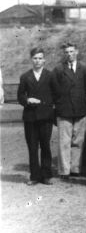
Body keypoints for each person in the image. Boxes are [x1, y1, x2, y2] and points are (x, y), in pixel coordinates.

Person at [52, 42, 86, 179]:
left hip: (80, 109)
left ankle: (75, 168)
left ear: (77, 52)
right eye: (67, 52)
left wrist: (77, 99)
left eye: (72, 51)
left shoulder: (84, 68)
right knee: (64, 141)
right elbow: (55, 90)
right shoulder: (58, 70)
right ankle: (64, 170)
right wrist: (62, 103)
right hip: (64, 109)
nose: (69, 54)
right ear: (64, 54)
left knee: (78, 141)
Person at [17, 48, 55, 185]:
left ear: (44, 60)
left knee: (45, 146)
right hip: (30, 117)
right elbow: (20, 96)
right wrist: (27, 100)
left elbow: (56, 95)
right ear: (31, 60)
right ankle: (34, 176)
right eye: (35, 58)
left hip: (46, 116)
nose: (37, 61)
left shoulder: (50, 75)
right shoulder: (25, 76)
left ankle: (46, 175)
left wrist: (48, 106)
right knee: (32, 147)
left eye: (40, 58)